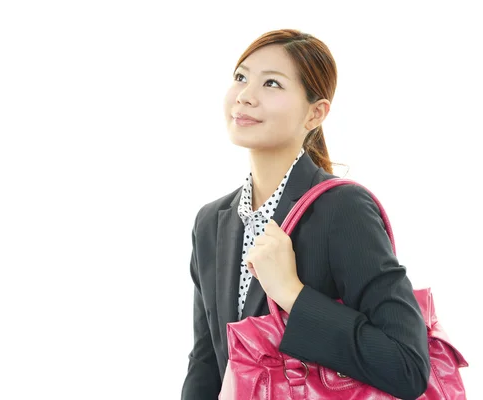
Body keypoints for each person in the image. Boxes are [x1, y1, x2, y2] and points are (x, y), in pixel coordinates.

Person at [180, 29, 430, 400]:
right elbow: (207, 363)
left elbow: (407, 366)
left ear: (316, 113)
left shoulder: (343, 210)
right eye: (241, 77)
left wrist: (292, 294)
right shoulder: (211, 221)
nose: (246, 96)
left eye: (272, 84)